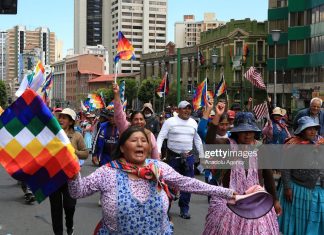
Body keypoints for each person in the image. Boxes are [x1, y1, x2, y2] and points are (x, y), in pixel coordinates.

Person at [68, 126, 237, 234]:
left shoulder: (158, 168)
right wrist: (72, 168)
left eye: (144, 141)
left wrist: (228, 193)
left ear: (149, 147)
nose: (140, 144)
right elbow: (77, 191)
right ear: (122, 147)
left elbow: (188, 183)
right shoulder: (107, 172)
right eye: (134, 140)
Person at [203, 111, 281, 235]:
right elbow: (210, 142)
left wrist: (275, 200)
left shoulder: (260, 148)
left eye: (250, 131)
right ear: (237, 132)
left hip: (256, 204)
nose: (247, 135)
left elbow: (268, 176)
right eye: (243, 131)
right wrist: (216, 117)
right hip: (229, 204)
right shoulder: (227, 145)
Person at [157, 100, 204, 219]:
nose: (187, 111)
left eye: (189, 108)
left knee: (188, 184)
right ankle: (166, 208)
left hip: (188, 158)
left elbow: (197, 139)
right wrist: (157, 151)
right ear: (178, 110)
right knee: (169, 183)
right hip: (173, 157)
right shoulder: (169, 122)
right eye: (184, 108)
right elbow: (161, 136)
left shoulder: (193, 122)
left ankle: (184, 209)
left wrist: (202, 155)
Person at [278, 116, 324, 235]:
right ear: (302, 130)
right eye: (309, 129)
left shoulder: (320, 143)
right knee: (299, 218)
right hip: (299, 187)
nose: (313, 131)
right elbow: (286, 168)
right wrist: (287, 187)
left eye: (314, 128)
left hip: (318, 188)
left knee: (315, 218)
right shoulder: (292, 145)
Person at [50, 108, 88, 235]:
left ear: (71, 122)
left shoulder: (77, 136)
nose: (61, 119)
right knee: (55, 209)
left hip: (71, 177)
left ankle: (69, 225)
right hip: (54, 176)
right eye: (60, 117)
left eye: (64, 118)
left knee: (70, 206)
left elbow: (85, 154)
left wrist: (73, 151)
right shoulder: (52, 134)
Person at [113, 83, 160, 159]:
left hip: (144, 169)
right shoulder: (125, 128)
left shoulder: (149, 135)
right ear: (131, 121)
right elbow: (119, 115)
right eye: (136, 119)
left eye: (141, 119)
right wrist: (117, 95)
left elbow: (155, 157)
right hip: (125, 167)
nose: (139, 122)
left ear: (145, 121)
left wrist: (157, 168)